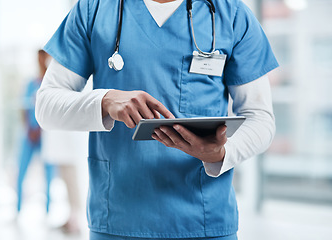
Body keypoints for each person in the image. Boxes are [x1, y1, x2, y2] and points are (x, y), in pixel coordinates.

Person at [36, 0, 278, 239]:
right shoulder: (94, 9)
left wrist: (222, 153)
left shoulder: (231, 14)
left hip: (204, 220)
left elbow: (260, 118)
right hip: (118, 219)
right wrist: (105, 101)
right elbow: (46, 106)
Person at [16, 50, 55, 213]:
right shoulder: (31, 84)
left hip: (46, 135)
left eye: (44, 58)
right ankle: (17, 210)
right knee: (21, 172)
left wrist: (40, 129)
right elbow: (24, 109)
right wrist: (29, 129)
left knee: (49, 175)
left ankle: (47, 212)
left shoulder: (52, 84)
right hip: (29, 135)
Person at [41, 129, 87, 233]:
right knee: (67, 180)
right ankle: (71, 217)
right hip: (62, 144)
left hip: (68, 143)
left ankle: (74, 220)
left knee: (71, 182)